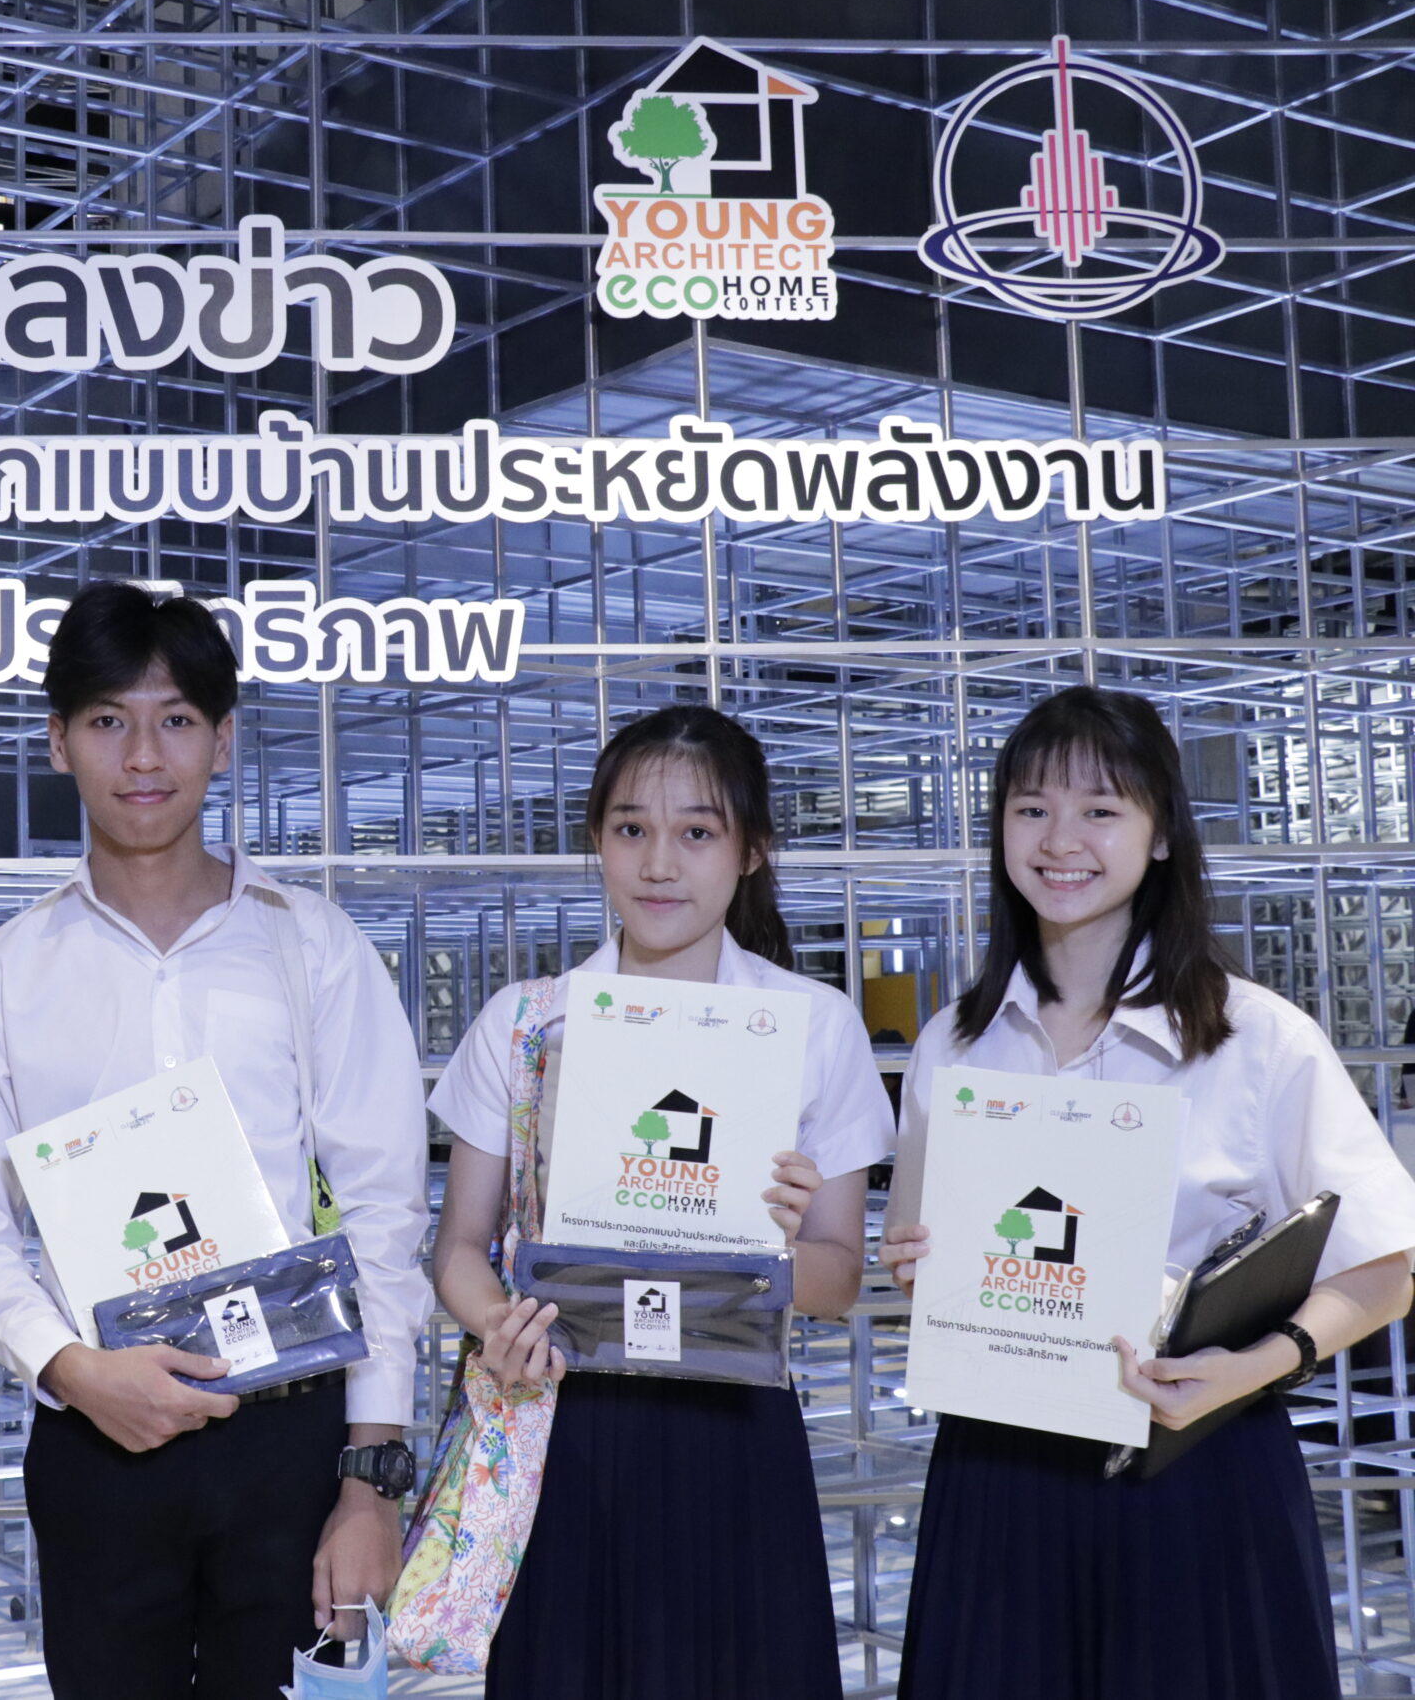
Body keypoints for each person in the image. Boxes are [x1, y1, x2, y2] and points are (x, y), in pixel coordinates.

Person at [0, 580, 432, 1700]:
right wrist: (71, 1370)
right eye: (109, 720)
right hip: (96, 1440)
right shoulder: (4, 977)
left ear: (223, 739)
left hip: (291, 1440)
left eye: (177, 719)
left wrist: (369, 1482)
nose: (143, 755)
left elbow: (385, 1214)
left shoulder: (315, 949)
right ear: (58, 741)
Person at [881, 686, 1415, 1700]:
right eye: (1031, 808)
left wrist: (1256, 1365)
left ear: (1160, 832)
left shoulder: (1256, 1039)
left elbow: (1388, 1267)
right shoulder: (955, 1042)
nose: (1059, 840)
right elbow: (925, 1254)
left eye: (1099, 809)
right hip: (999, 1475)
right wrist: (916, 1264)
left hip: (1195, 1466)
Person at [426, 703, 889, 1699]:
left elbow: (840, 1276)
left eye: (697, 832)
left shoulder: (810, 1027)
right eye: (631, 828)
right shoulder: (526, 1024)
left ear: (751, 850)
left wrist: (769, 1250)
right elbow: (458, 1245)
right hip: (562, 1421)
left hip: (735, 1426)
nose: (659, 863)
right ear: (596, 840)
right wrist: (497, 1323)